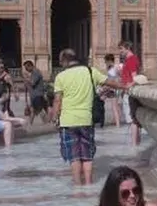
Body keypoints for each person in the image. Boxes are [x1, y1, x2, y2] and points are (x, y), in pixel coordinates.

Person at [50, 49, 124, 185]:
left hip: (68, 121)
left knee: (74, 157)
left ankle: (78, 186)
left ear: (65, 61)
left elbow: (57, 100)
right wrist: (126, 86)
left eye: (61, 61)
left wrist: (54, 118)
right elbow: (110, 82)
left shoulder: (60, 77)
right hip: (86, 119)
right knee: (87, 156)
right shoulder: (90, 71)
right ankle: (89, 185)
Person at [118, 41, 140, 145]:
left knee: (132, 119)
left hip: (129, 92)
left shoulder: (131, 60)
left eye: (121, 49)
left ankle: (134, 144)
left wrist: (126, 86)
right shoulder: (130, 59)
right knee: (133, 118)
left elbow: (135, 78)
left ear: (127, 48)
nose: (120, 52)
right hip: (127, 91)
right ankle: (136, 143)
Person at [22, 60, 49, 124]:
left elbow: (32, 83)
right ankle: (30, 124)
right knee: (33, 110)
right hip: (34, 95)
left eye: (26, 68)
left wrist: (26, 78)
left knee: (40, 110)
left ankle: (47, 123)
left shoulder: (36, 72)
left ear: (30, 66)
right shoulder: (33, 73)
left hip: (37, 95)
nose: (26, 70)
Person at [100, 54, 122, 128]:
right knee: (102, 98)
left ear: (109, 61)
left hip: (114, 88)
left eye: (106, 61)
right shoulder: (110, 68)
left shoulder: (116, 68)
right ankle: (116, 121)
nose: (105, 63)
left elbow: (118, 78)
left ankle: (118, 124)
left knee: (114, 106)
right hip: (111, 88)